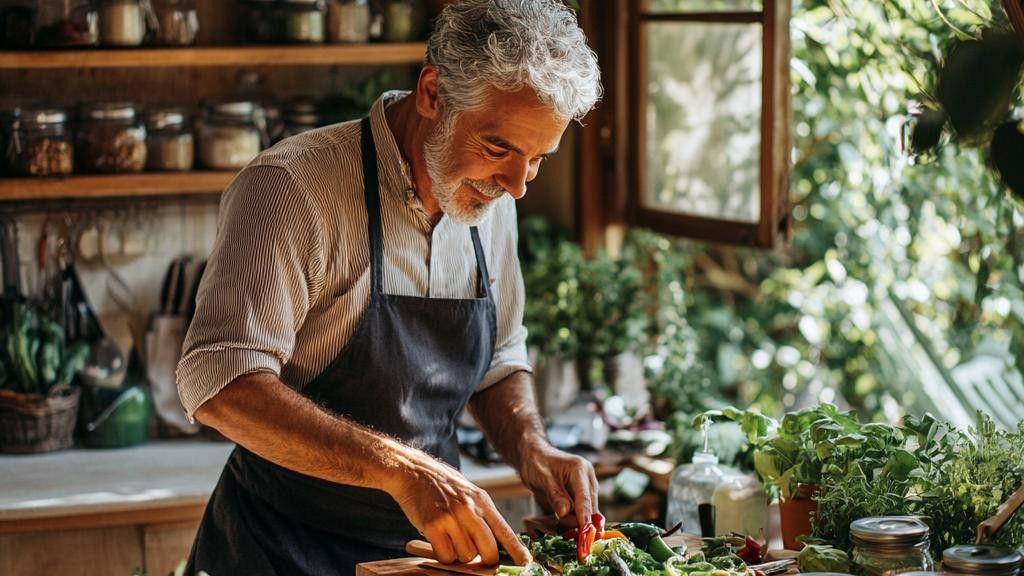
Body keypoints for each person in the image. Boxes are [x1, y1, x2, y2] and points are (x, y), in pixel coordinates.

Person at [176, 1, 602, 574]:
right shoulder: (291, 189)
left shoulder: (491, 197)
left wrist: (534, 450)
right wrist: (402, 469)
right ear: (432, 93)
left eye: (538, 160)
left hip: (425, 558)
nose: (517, 185)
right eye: (498, 147)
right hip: (279, 549)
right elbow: (220, 382)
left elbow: (499, 358)